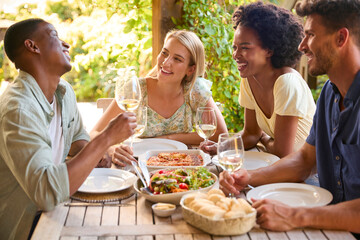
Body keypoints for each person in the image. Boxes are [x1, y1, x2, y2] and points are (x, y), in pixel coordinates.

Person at [219, 0, 360, 236]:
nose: (302, 46)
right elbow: (305, 160)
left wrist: (295, 215)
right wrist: (247, 177)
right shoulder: (329, 93)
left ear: (341, 38)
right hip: (327, 225)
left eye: (311, 35)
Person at [0, 18, 137, 240]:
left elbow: (77, 141)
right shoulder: (19, 110)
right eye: (54, 35)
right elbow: (45, 193)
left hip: (60, 206)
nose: (66, 44)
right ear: (32, 46)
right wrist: (106, 139)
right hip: (28, 226)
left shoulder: (63, 91)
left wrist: (99, 156)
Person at [91, 30, 227, 166]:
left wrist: (169, 138)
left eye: (177, 59)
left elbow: (220, 134)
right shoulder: (137, 90)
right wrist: (111, 148)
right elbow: (93, 133)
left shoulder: (195, 91)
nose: (166, 62)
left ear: (190, 70)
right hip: (135, 165)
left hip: (180, 166)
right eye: (164, 53)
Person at [201, 2, 316, 158]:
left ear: (269, 50)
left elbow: (283, 153)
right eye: (235, 47)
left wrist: (264, 138)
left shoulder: (287, 83)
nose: (236, 55)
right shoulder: (249, 78)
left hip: (307, 174)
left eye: (245, 47)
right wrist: (221, 146)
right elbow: (251, 134)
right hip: (276, 164)